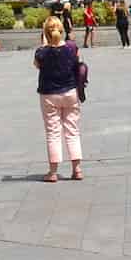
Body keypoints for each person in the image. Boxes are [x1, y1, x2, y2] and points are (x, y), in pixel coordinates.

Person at [33, 17, 84, 182]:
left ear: (45, 33)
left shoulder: (41, 52)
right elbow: (77, 63)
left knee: (53, 132)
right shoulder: (71, 47)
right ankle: (77, 169)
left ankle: (53, 172)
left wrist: (44, 43)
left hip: (49, 94)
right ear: (61, 30)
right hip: (70, 92)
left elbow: (37, 65)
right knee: (72, 131)